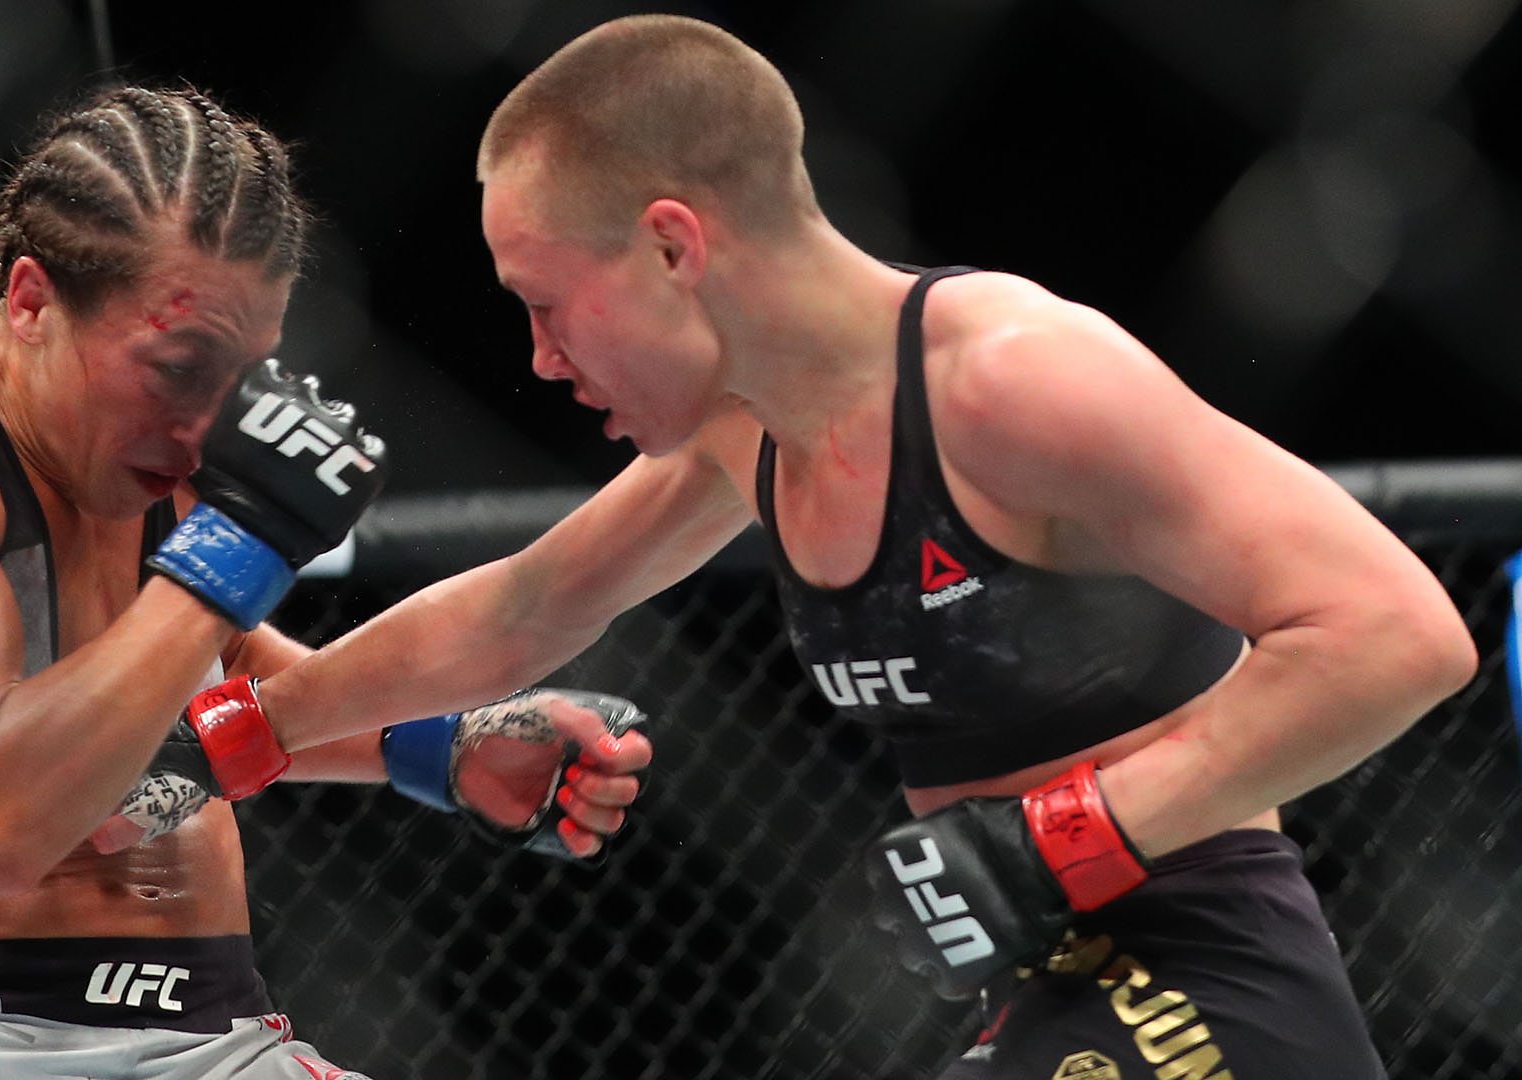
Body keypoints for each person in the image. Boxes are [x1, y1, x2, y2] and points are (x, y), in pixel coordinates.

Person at [245, 15, 1479, 1077]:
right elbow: (522, 612)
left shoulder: (1011, 383)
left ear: (674, 246)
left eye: (547, 300)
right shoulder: (749, 430)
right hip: (1034, 989)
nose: (541, 357)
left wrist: (1060, 838)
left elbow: (1399, 634)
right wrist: (242, 733)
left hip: (1204, 988)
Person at [0, 83, 651, 1080]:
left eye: (241, 376)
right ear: (29, 301)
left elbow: (224, 678)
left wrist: (440, 748)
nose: (204, 428)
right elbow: (0, 824)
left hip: (222, 1033)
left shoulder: (155, 455)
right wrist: (239, 544)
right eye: (178, 367)